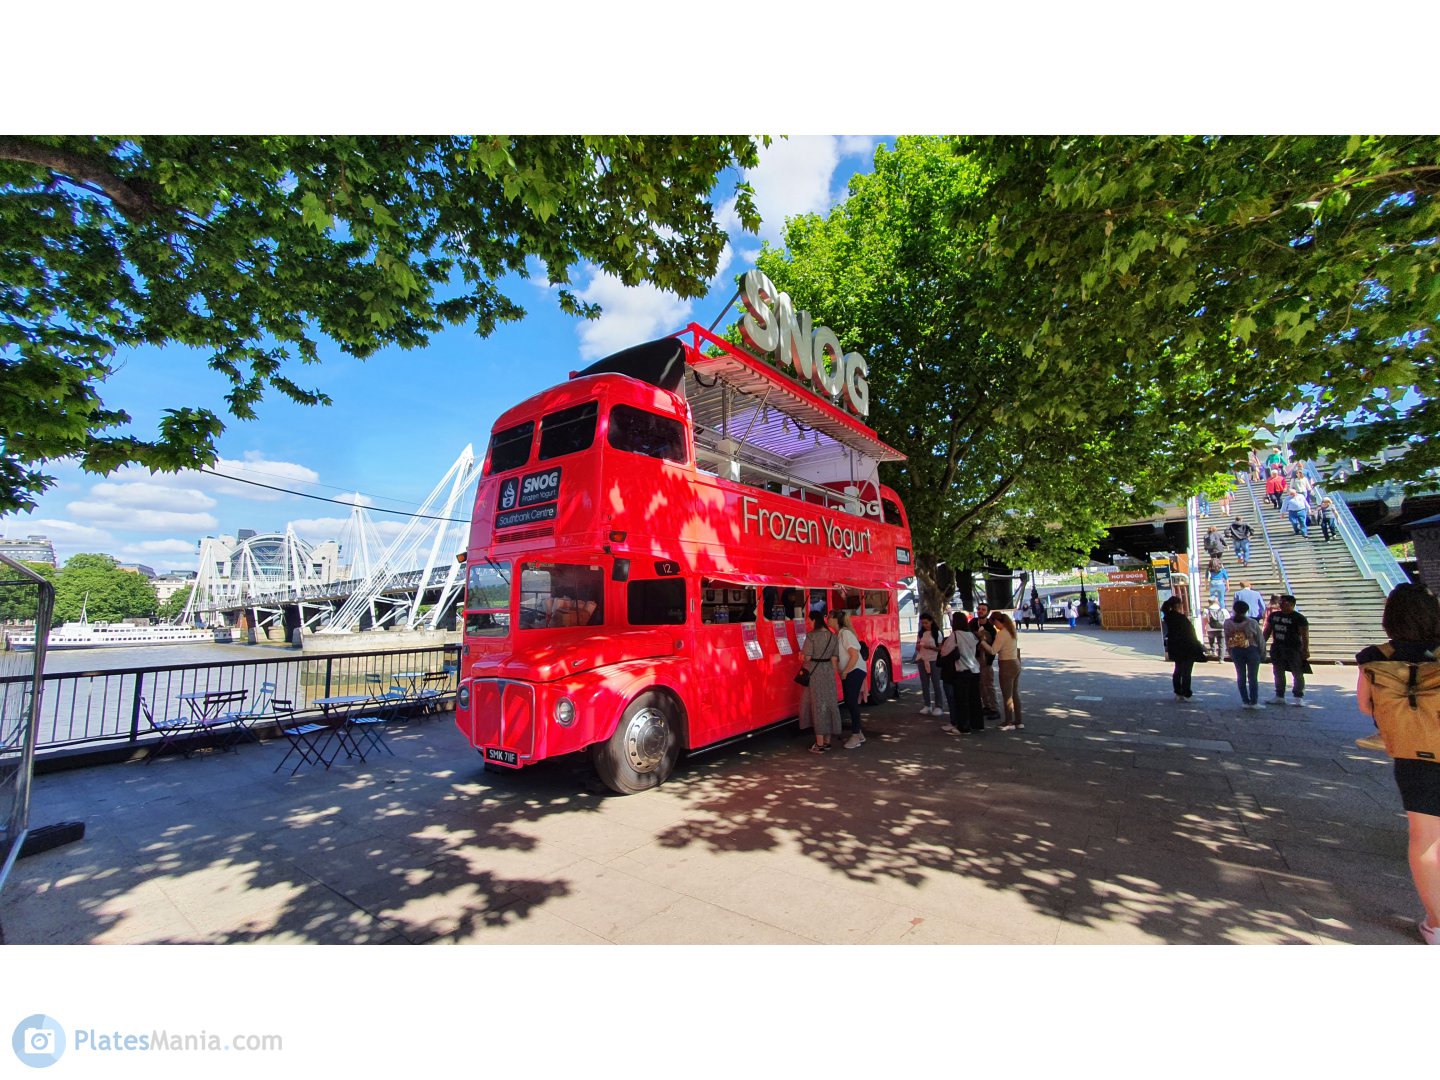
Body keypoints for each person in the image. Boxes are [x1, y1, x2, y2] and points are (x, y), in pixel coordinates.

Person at [1355, 582, 1440, 945]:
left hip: (1413, 755)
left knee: (1425, 840)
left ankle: (1436, 925)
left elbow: (1365, 706)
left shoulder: (1375, 655)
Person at [798, 610, 841, 752]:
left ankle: (819, 743)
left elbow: (808, 657)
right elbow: (835, 658)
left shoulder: (811, 637)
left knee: (818, 706)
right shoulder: (832, 636)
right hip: (828, 672)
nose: (809, 624)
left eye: (810, 621)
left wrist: (800, 656)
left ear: (814, 621)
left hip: (815, 674)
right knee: (829, 704)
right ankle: (827, 741)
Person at [939, 611, 982, 735]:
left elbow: (944, 652)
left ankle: (964, 726)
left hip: (962, 670)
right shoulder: (972, 635)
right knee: (975, 699)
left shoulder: (955, 635)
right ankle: (977, 724)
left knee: (962, 700)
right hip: (974, 669)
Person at [980, 610, 1023, 730]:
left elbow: (993, 650)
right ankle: (1018, 721)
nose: (995, 626)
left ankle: (1008, 721)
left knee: (1007, 695)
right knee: (1015, 693)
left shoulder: (1002, 634)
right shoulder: (1012, 631)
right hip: (1016, 662)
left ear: (997, 621)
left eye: (995, 624)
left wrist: (982, 641)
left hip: (1006, 664)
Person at [1264, 594, 1310, 705]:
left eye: (1284, 602)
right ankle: (1279, 695)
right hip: (1277, 647)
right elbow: (1267, 630)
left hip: (1293, 648)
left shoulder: (1299, 618)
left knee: (1297, 672)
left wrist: (1305, 649)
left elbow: (1305, 634)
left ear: (1291, 604)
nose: (1281, 604)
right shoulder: (1274, 616)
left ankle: (1298, 696)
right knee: (1278, 671)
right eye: (1280, 602)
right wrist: (1262, 643)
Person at [833, 611, 867, 750]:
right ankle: (858, 734)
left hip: (854, 670)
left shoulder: (845, 634)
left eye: (829, 616)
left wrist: (845, 671)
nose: (827, 618)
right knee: (850, 701)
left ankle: (855, 735)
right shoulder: (840, 634)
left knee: (851, 702)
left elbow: (854, 654)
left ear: (836, 619)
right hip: (851, 671)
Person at [1162, 596, 1207, 701]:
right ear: (1178, 605)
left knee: (1178, 669)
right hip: (1187, 646)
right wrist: (1199, 645)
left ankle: (1178, 692)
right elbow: (1190, 633)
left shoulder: (1167, 617)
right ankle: (1187, 693)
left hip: (1174, 646)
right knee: (1186, 671)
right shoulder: (1181, 618)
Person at [1224, 598, 1265, 709]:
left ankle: (1245, 700)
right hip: (1251, 649)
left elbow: (1227, 638)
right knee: (1252, 677)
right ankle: (1254, 701)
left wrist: (1230, 651)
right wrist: (1262, 652)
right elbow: (1260, 639)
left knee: (1240, 676)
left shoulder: (1228, 623)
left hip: (1236, 650)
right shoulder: (1252, 622)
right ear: (1246, 611)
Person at [972, 603, 1000, 722]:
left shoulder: (991, 628)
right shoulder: (972, 623)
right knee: (980, 684)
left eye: (983, 609)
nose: (980, 611)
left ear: (987, 612)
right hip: (974, 658)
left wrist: (989, 661)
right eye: (978, 609)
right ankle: (986, 705)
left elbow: (993, 647)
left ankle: (995, 708)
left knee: (989, 684)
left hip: (986, 658)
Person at [914, 612, 945, 717]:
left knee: (936, 683)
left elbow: (941, 648)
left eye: (926, 623)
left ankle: (939, 706)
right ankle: (927, 705)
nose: (925, 625)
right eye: (923, 623)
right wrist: (918, 647)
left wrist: (930, 647)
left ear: (931, 621)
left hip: (934, 659)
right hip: (922, 659)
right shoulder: (921, 633)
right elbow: (917, 646)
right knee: (924, 684)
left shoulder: (937, 633)